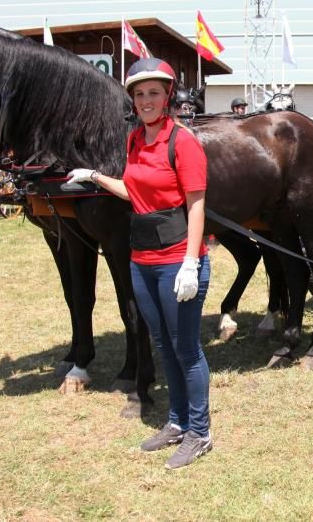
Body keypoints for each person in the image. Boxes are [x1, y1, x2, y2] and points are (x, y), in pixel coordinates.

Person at [66, 58, 213, 469]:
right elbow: (134, 192)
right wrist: (94, 176)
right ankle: (176, 422)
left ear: (167, 96)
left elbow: (197, 206)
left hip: (176, 261)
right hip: (141, 260)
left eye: (154, 92)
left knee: (187, 349)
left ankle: (199, 432)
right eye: (139, 93)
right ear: (132, 99)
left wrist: (190, 262)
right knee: (162, 344)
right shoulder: (134, 140)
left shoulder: (182, 141)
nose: (146, 100)